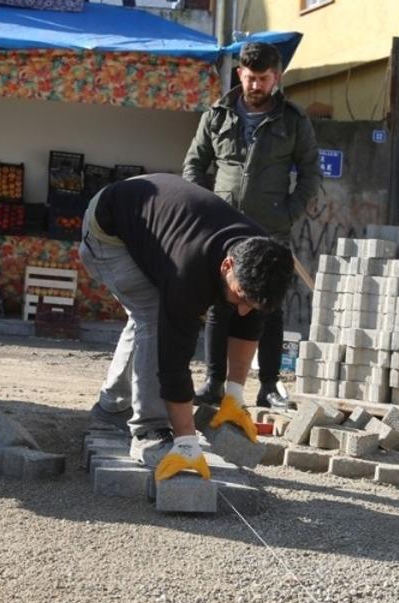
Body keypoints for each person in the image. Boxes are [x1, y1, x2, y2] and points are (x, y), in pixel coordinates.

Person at [81, 173, 294, 480]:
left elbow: (249, 323)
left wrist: (233, 395)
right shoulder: (188, 274)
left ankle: (112, 405)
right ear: (227, 266)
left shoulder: (262, 258)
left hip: (155, 216)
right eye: (241, 297)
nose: (244, 309)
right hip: (107, 231)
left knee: (151, 314)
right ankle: (149, 431)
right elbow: (173, 364)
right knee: (154, 316)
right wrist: (186, 441)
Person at [183, 41, 321, 409]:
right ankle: (213, 383)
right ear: (239, 74)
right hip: (222, 230)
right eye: (249, 77)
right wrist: (204, 209)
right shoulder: (217, 115)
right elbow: (193, 164)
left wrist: (287, 214)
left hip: (270, 231)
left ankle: (269, 385)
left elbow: (310, 173)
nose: (255, 85)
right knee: (219, 305)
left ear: (276, 78)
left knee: (269, 307)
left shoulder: (293, 120)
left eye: (263, 79)